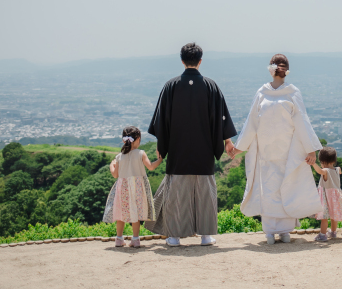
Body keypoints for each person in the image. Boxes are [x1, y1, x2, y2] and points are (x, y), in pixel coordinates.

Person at [144, 42, 237, 246]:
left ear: (182, 60)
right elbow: (221, 118)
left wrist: (162, 144)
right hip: (204, 151)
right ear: (200, 61)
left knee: (177, 194)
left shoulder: (171, 85)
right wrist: (227, 141)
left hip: (178, 150)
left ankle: (174, 236)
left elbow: (162, 120)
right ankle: (205, 236)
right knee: (205, 193)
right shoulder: (211, 86)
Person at [229, 54, 323, 244]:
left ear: (271, 69)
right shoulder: (287, 92)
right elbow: (302, 122)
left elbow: (252, 123)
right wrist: (310, 149)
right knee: (282, 187)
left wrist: (240, 147)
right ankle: (281, 232)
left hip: (276, 150)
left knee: (273, 189)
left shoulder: (268, 93)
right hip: (278, 151)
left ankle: (274, 232)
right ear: (286, 70)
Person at [102, 126, 162, 248]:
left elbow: (115, 175)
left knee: (121, 214)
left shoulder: (119, 156)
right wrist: (160, 159)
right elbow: (150, 167)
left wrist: (111, 165)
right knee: (136, 213)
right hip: (137, 188)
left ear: (124, 140)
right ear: (138, 139)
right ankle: (135, 239)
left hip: (122, 188)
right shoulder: (141, 153)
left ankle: (119, 239)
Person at [311, 146, 342, 242]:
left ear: (322, 162)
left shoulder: (326, 171)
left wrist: (313, 164)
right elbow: (339, 170)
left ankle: (322, 235)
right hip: (336, 197)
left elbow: (320, 171)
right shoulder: (337, 169)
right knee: (334, 216)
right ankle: (333, 232)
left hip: (326, 197)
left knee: (324, 217)